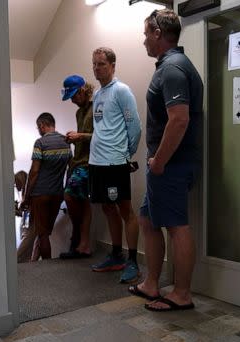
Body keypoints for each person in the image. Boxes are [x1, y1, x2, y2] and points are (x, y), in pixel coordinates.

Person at [128, 9, 203, 312]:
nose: (144, 39)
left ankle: (182, 294)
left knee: (176, 226)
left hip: (170, 164)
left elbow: (180, 120)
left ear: (158, 33)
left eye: (146, 33)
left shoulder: (172, 69)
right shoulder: (170, 66)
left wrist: (159, 161)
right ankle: (151, 283)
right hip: (163, 164)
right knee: (147, 219)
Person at [89, 47, 142, 283]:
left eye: (101, 64)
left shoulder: (121, 91)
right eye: (94, 64)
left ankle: (132, 260)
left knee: (125, 210)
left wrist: (126, 153)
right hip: (97, 162)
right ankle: (116, 255)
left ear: (112, 65)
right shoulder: (98, 95)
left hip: (115, 162)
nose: (96, 68)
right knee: (108, 208)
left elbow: (135, 127)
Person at [21, 112, 72, 261]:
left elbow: (35, 171)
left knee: (42, 234)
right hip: (57, 194)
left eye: (38, 127)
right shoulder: (66, 141)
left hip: (40, 194)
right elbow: (71, 167)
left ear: (42, 125)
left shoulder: (40, 143)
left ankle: (47, 266)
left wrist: (27, 196)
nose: (38, 130)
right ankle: (35, 260)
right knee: (46, 232)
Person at [59, 75, 94, 259]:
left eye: (74, 96)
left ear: (82, 91)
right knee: (84, 202)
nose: (72, 100)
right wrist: (74, 138)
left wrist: (80, 136)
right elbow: (83, 135)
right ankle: (84, 245)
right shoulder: (79, 112)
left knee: (70, 195)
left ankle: (78, 235)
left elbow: (101, 136)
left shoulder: (97, 107)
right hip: (78, 161)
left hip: (90, 162)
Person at [15, 171, 36, 263]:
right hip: (25, 224)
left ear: (21, 180)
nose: (15, 185)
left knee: (22, 250)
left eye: (16, 182)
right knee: (26, 252)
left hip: (31, 224)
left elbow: (30, 211)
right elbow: (25, 213)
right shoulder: (24, 193)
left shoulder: (30, 193)